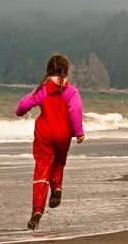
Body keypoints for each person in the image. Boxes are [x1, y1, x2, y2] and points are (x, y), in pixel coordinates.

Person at [15, 53, 84, 230]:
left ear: (47, 71)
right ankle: (57, 187)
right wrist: (79, 132)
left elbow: (23, 106)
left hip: (44, 135)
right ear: (66, 71)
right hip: (63, 135)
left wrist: (19, 112)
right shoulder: (71, 91)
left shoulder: (42, 90)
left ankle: (37, 210)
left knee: (42, 170)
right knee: (59, 162)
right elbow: (75, 110)